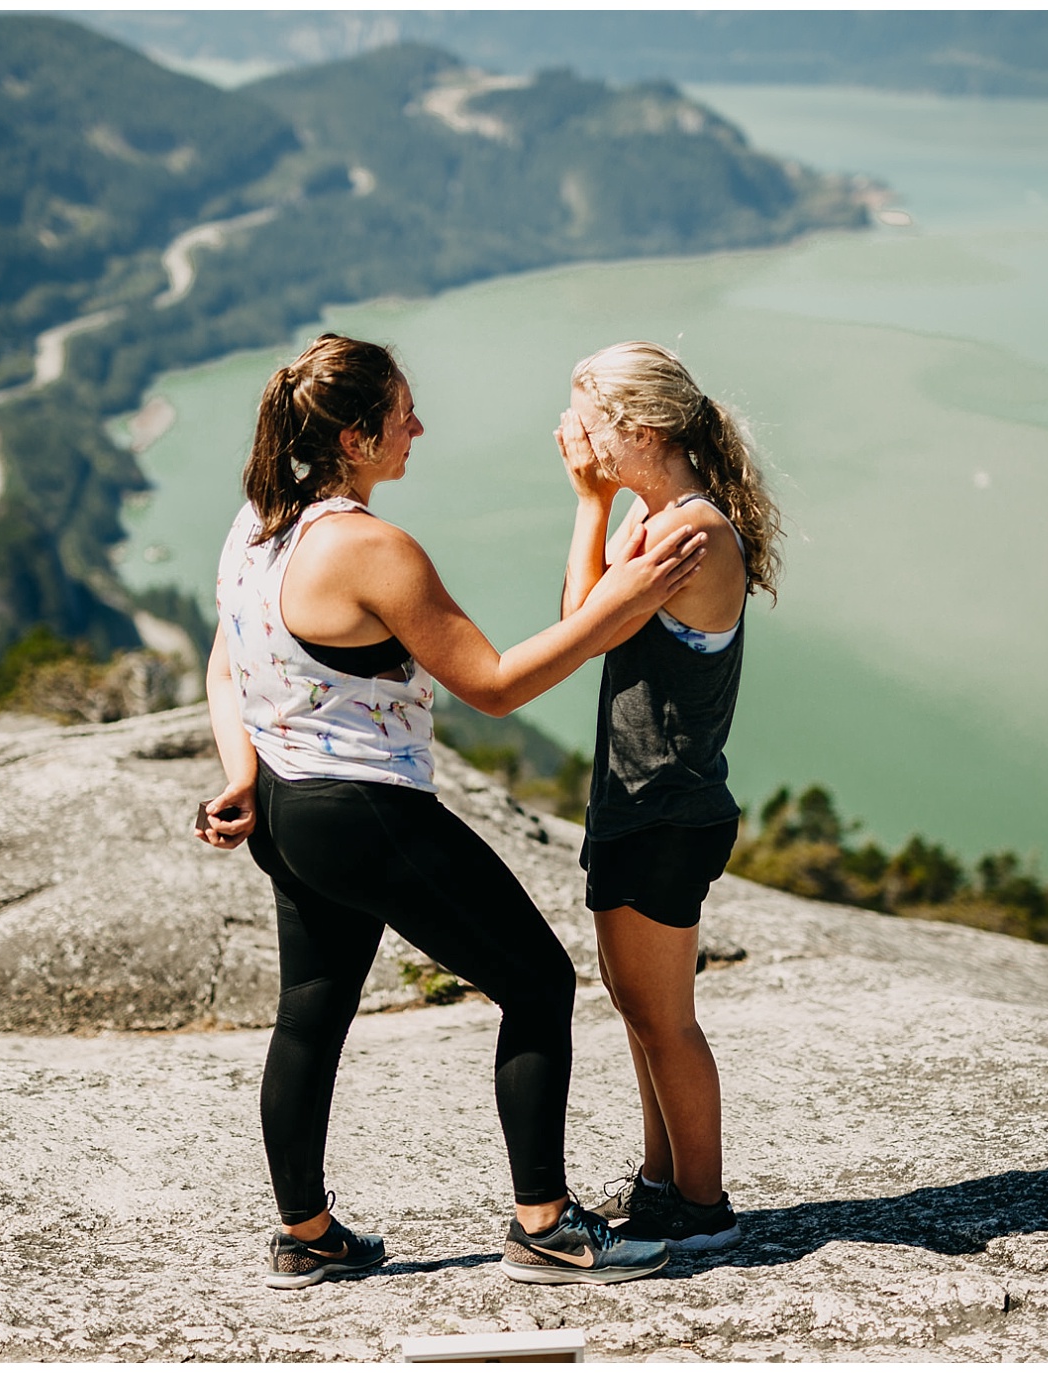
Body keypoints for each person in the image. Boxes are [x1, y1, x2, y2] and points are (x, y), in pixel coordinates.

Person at [194, 333, 707, 1289]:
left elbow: (228, 661)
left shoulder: (257, 523)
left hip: (286, 808)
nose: (418, 426)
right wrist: (626, 597)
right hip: (365, 809)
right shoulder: (371, 550)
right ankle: (546, 1228)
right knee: (539, 983)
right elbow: (498, 685)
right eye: (401, 413)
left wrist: (239, 772)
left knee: (309, 1017)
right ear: (355, 439)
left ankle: (304, 1236)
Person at [555, 340, 783, 1252]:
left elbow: (574, 632)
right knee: (641, 1009)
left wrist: (588, 504)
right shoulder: (655, 525)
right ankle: (662, 1184)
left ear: (638, 428)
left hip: (665, 807)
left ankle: (702, 1204)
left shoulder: (687, 535)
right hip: (643, 803)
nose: (573, 436)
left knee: (665, 1019)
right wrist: (596, 505)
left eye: (587, 419)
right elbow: (588, 612)